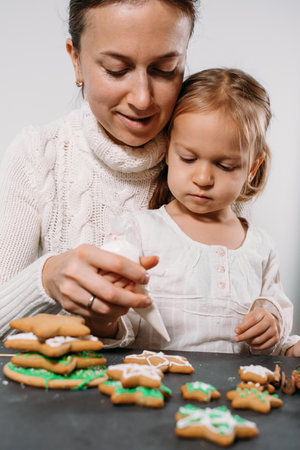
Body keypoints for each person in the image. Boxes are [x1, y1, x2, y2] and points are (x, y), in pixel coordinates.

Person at [0, 0, 202, 340]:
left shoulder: (213, 158)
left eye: (165, 69)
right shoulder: (38, 154)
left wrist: (268, 312)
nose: (141, 98)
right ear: (76, 60)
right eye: (116, 69)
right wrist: (46, 279)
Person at [107, 68, 300, 355]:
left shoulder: (261, 247)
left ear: (252, 168)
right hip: (155, 391)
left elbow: (278, 334)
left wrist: (272, 324)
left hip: (234, 395)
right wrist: (106, 315)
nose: (203, 178)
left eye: (225, 166)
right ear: (168, 150)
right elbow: (117, 329)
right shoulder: (139, 231)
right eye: (188, 158)